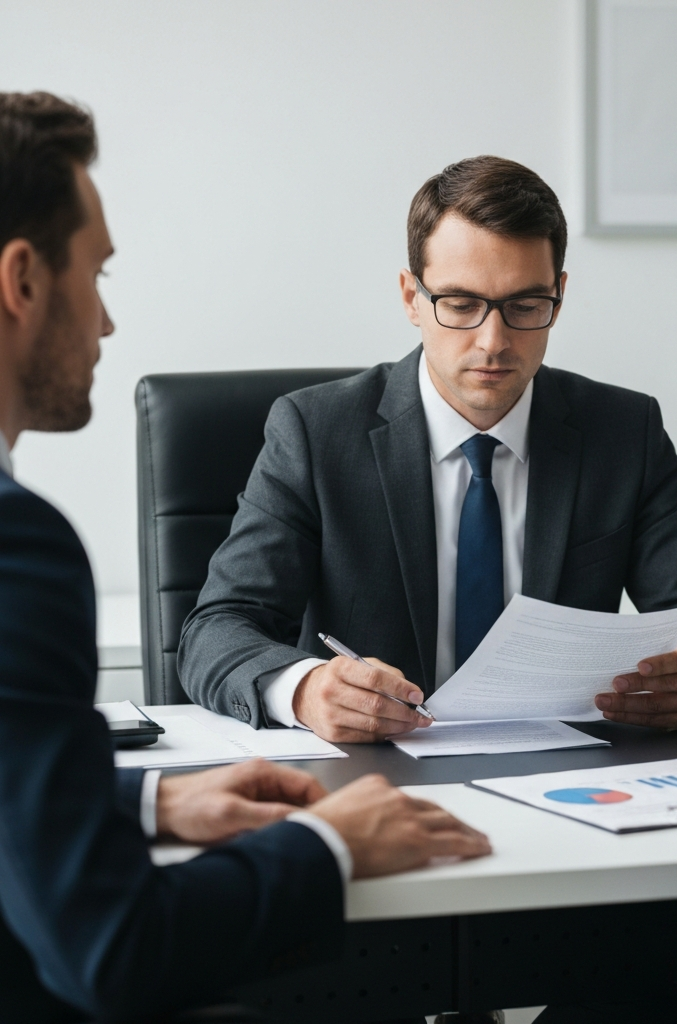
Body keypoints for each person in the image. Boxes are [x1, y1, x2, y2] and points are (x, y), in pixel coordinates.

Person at [0, 91, 489, 1023]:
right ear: (23, 280)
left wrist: (147, 806)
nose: (104, 323)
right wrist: (332, 847)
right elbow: (112, 954)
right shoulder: (16, 549)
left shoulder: (618, 427)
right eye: (95, 274)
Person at [178, 155, 677, 743]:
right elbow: (217, 630)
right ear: (412, 297)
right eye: (460, 305)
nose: (494, 341)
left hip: (562, 770)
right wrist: (305, 691)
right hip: (377, 775)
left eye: (525, 307)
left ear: (558, 297)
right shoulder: (314, 431)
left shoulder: (622, 431)